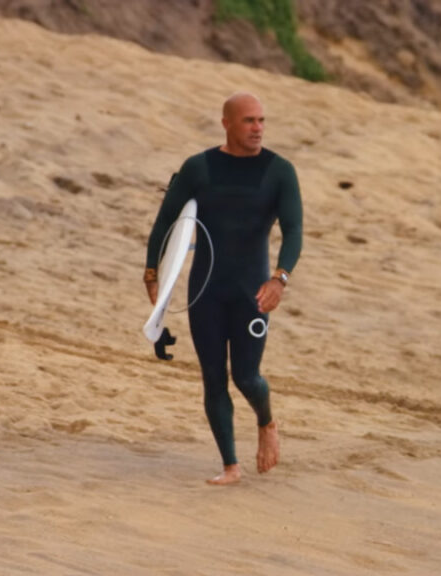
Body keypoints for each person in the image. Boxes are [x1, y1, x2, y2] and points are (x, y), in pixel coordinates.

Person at [143, 92, 303, 485]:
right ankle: (230, 465)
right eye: (249, 121)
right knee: (213, 377)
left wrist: (279, 279)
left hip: (253, 292)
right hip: (206, 292)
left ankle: (266, 422)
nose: (258, 128)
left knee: (247, 377)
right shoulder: (199, 168)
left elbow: (294, 230)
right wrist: (152, 274)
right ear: (227, 123)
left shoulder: (279, 171)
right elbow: (165, 222)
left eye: (262, 120)